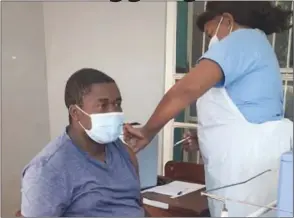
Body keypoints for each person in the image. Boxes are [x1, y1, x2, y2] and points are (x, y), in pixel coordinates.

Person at [124, 1, 293, 217]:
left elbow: (186, 90)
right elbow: (249, 114)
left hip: (247, 174)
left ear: (228, 21)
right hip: (257, 166)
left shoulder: (242, 40)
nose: (211, 41)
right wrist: (204, 137)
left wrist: (147, 131)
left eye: (211, 32)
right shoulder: (258, 46)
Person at [21, 68, 144, 217]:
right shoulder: (46, 170)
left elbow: (135, 206)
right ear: (75, 113)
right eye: (103, 106)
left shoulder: (124, 152)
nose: (114, 112)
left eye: (117, 104)